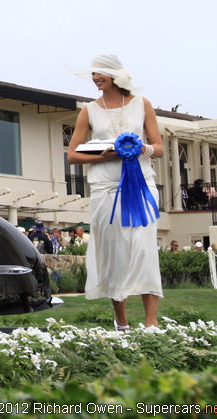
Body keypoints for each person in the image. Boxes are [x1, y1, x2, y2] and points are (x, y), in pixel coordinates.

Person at [67, 53, 163, 329]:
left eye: (100, 73)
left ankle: (151, 323)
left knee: (145, 250)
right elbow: (73, 155)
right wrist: (103, 157)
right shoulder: (89, 110)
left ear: (114, 75)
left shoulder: (142, 105)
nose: (95, 78)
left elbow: (158, 146)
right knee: (113, 253)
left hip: (141, 186)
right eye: (93, 74)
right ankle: (122, 322)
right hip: (105, 189)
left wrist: (142, 149)